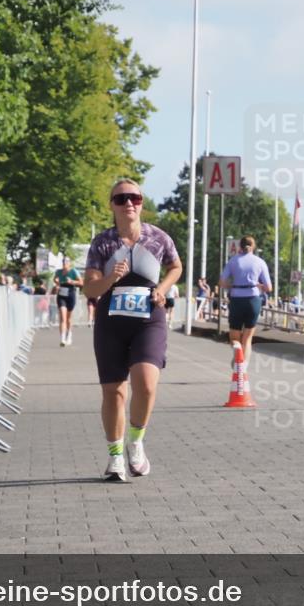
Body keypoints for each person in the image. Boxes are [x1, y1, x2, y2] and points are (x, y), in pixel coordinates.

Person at [83, 178, 182, 482]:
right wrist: (110, 278)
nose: (129, 203)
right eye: (121, 198)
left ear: (141, 203)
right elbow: (90, 288)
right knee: (114, 391)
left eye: (135, 198)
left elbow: (176, 267)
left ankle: (136, 442)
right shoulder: (103, 243)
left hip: (148, 317)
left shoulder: (158, 237)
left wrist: (162, 289)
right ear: (112, 205)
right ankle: (115, 457)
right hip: (111, 320)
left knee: (146, 383)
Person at [220, 235, 272, 365]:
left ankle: (237, 350)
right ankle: (244, 365)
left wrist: (233, 286)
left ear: (240, 246)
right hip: (253, 300)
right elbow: (269, 287)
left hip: (237, 299)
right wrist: (258, 285)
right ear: (253, 246)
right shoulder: (260, 262)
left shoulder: (233, 261)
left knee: (234, 336)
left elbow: (222, 282)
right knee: (248, 338)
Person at [53, 257, 83, 346]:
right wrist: (56, 282)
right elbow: (55, 279)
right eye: (63, 261)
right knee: (63, 317)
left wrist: (72, 281)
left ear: (69, 263)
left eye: (66, 261)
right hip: (61, 295)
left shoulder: (73, 271)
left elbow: (81, 282)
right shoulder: (58, 272)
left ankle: (69, 335)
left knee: (68, 319)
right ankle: (62, 339)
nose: (64, 263)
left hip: (71, 294)